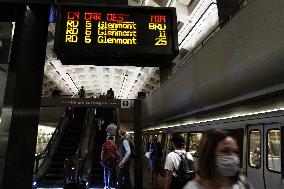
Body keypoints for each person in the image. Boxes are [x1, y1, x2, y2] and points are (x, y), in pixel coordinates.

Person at [183, 129, 254, 189]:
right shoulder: (192, 187)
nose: (233, 157)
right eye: (225, 151)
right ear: (210, 156)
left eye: (235, 151)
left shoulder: (242, 183)